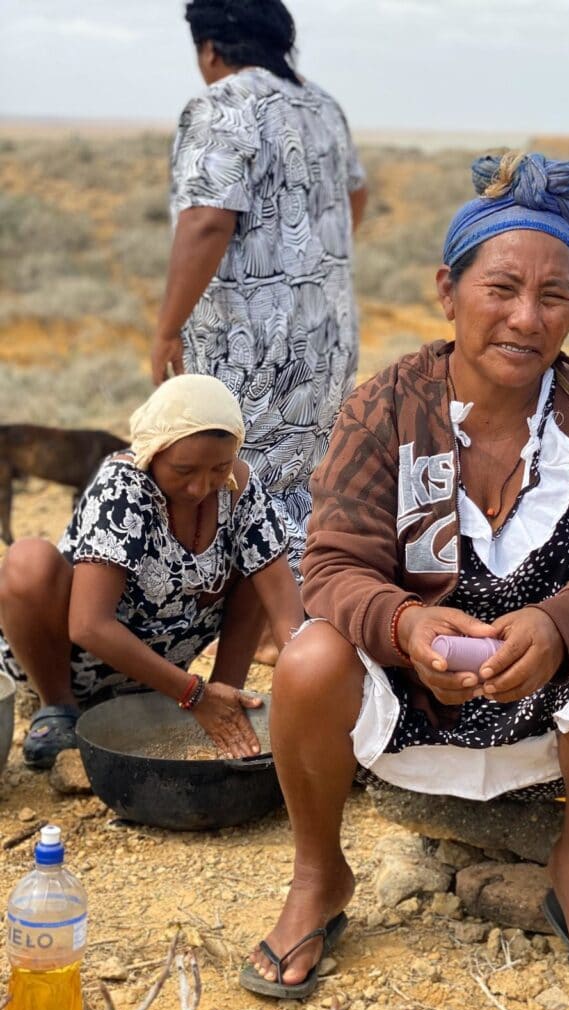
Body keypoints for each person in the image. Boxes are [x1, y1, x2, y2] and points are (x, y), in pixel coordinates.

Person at [241, 153, 569, 1003]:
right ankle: (320, 875)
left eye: (554, 296)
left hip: (549, 692)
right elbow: (331, 564)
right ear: (448, 289)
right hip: (416, 691)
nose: (525, 318)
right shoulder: (386, 408)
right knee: (311, 657)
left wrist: (561, 622)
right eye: (500, 288)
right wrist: (407, 628)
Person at [152, 0, 368, 585]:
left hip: (250, 336)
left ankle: (276, 619)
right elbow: (354, 199)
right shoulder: (322, 105)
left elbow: (206, 221)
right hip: (327, 331)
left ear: (210, 49)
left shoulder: (220, 105)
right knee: (307, 472)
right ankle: (306, 602)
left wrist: (168, 327)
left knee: (237, 467)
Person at [0, 375, 303, 769]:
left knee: (256, 561)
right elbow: (88, 626)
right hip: (73, 662)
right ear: (152, 452)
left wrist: (305, 683)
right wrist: (194, 694)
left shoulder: (238, 487)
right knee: (28, 561)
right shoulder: (122, 488)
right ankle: (58, 708)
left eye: (219, 467)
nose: (201, 486)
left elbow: (283, 604)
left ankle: (227, 696)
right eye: (183, 470)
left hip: (161, 670)